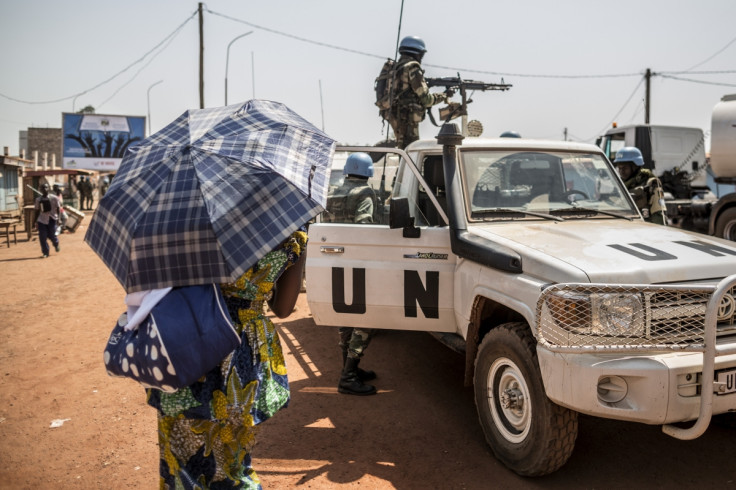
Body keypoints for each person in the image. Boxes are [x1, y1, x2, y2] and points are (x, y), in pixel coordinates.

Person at [145, 228, 308, 488]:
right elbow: (284, 308)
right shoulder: (290, 234)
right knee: (234, 462)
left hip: (190, 339)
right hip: (244, 351)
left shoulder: (192, 224)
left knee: (181, 459)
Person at [326, 153, 379, 395]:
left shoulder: (334, 191)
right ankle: (348, 376)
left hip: (334, 260)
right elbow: (364, 228)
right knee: (365, 319)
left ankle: (349, 369)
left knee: (345, 316)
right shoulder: (365, 193)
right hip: (358, 263)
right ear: (368, 171)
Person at [386, 36, 449, 149]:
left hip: (395, 115)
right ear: (418, 53)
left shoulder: (396, 67)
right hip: (407, 119)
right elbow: (427, 100)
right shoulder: (412, 67)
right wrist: (444, 96)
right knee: (410, 150)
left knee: (403, 149)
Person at [613, 146, 667, 225]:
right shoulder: (619, 185)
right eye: (619, 168)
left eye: (625, 168)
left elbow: (659, 215)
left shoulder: (651, 185)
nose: (621, 171)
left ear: (635, 166)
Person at [34, 183, 61, 258]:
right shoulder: (38, 200)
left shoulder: (54, 198)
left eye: (46, 188)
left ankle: (56, 244)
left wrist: (59, 219)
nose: (44, 189)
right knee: (42, 236)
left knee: (52, 235)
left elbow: (58, 209)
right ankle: (45, 252)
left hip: (52, 219)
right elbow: (36, 211)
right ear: (40, 190)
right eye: (42, 188)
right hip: (42, 220)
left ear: (48, 188)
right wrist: (35, 221)